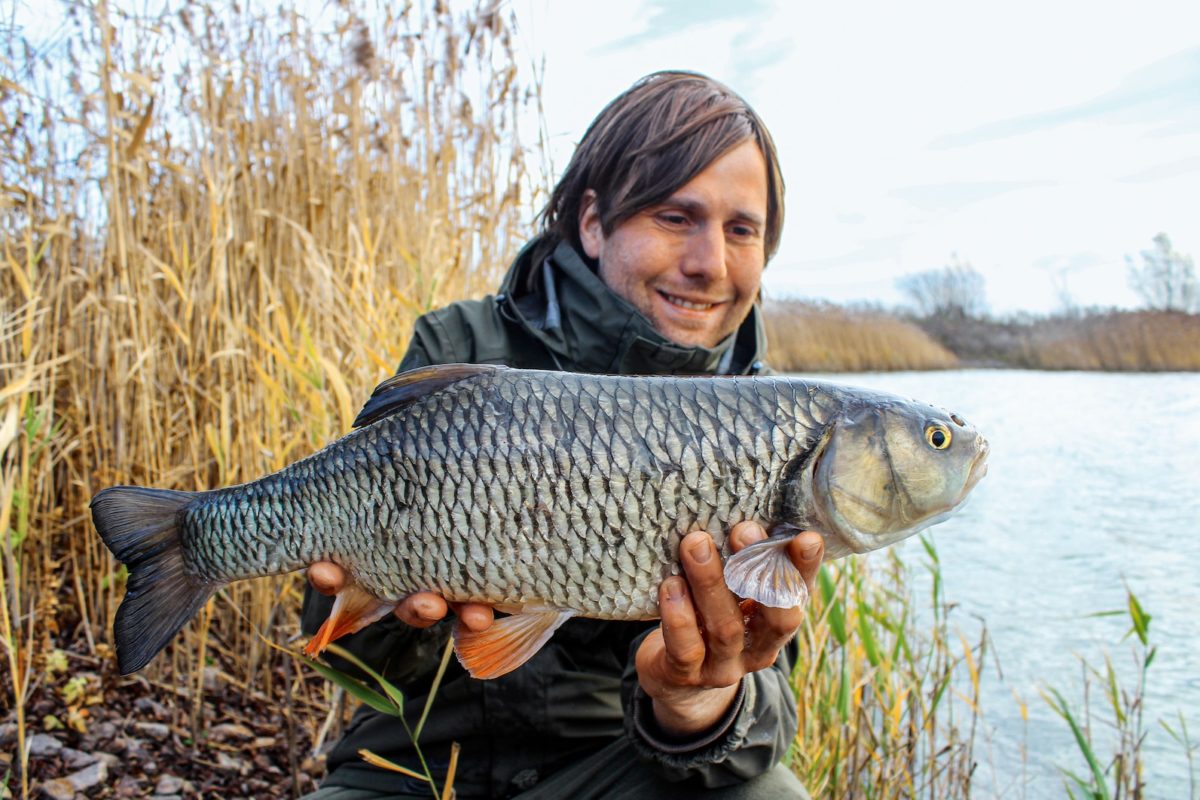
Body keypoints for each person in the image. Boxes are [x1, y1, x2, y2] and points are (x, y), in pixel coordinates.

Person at [300, 71, 824, 799]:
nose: (710, 262)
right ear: (592, 221)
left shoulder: (778, 425)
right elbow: (349, 651)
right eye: (676, 217)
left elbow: (767, 727)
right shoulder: (463, 344)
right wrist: (406, 620)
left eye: (743, 230)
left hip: (619, 767)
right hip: (413, 760)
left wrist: (696, 703)